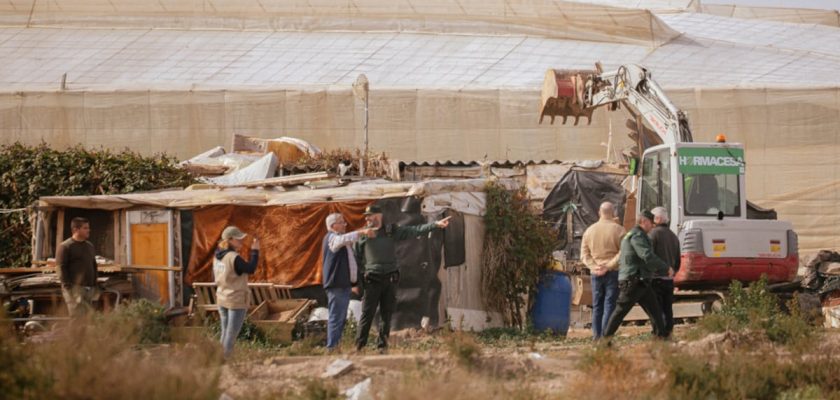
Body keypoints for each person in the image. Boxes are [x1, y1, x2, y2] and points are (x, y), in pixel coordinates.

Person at [354, 204, 450, 353]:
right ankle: (359, 347)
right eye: (366, 216)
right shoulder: (363, 235)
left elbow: (414, 230)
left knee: (386, 315)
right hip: (372, 280)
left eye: (370, 215)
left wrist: (435, 225)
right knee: (367, 314)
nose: (367, 219)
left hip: (390, 279)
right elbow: (357, 259)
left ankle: (382, 347)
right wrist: (361, 278)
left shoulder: (390, 231)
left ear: (379, 216)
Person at [602, 210, 668, 340]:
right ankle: (604, 341)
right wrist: (665, 268)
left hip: (641, 281)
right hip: (633, 281)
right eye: (651, 223)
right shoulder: (637, 236)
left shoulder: (636, 235)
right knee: (620, 312)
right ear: (644, 221)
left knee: (655, 312)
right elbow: (646, 256)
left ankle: (661, 339)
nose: (652, 226)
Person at [321, 213, 374, 352]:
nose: (345, 225)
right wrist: (361, 232)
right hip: (336, 285)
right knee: (336, 316)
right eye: (342, 222)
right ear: (333, 226)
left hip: (343, 285)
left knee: (340, 317)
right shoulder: (331, 238)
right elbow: (340, 241)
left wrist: (354, 283)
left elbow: (350, 264)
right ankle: (332, 347)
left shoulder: (342, 241)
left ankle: (335, 346)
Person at [580, 201, 626, 339]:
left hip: (596, 273)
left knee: (597, 306)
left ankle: (596, 336)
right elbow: (623, 253)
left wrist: (595, 267)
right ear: (613, 213)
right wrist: (609, 266)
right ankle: (606, 337)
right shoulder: (620, 230)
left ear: (599, 213)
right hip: (613, 272)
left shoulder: (589, 230)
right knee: (609, 305)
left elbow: (584, 255)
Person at [213, 226, 260, 359]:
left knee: (225, 332)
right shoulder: (234, 257)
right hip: (235, 299)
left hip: (222, 297)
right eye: (238, 239)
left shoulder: (217, 256)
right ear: (230, 240)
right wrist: (255, 251)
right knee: (231, 334)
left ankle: (219, 358)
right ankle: (225, 360)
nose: (241, 241)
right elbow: (250, 269)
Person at [56, 217, 99, 317]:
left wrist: (94, 284)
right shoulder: (65, 246)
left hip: (89, 289)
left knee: (88, 318)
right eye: (85, 228)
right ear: (76, 230)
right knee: (77, 319)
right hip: (75, 289)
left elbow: (93, 265)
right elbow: (61, 268)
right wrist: (69, 288)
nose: (88, 230)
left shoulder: (89, 246)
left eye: (88, 228)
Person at [649, 206, 681, 337]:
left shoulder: (653, 234)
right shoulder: (674, 236)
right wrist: (673, 272)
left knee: (656, 309)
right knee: (668, 308)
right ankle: (668, 333)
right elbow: (678, 261)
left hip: (656, 278)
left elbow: (649, 256)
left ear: (657, 219)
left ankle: (658, 333)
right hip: (669, 280)